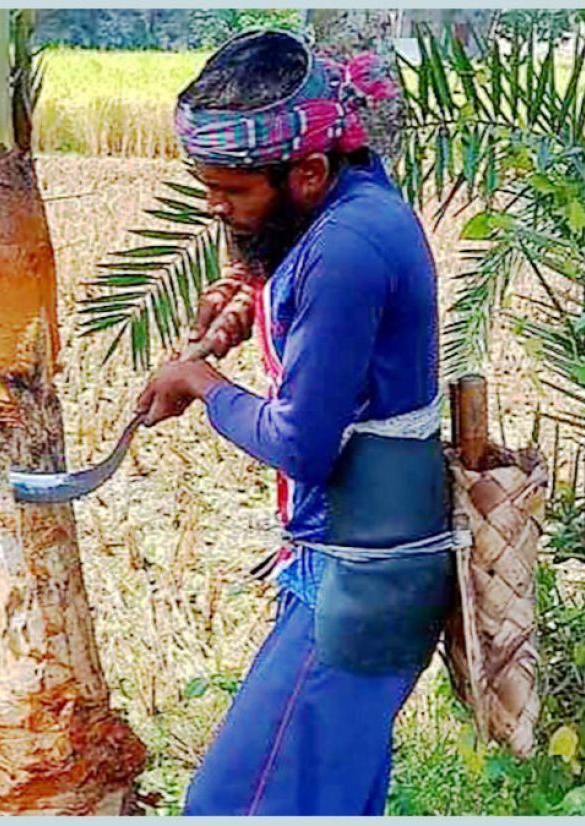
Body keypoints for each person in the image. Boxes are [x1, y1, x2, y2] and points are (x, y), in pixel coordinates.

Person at [134, 30, 462, 816]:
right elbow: (300, 267)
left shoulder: (347, 248)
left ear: (308, 171)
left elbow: (301, 445)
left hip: (359, 576)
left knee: (230, 810)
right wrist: (252, 289)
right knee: (330, 801)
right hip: (362, 562)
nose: (216, 207)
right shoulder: (353, 203)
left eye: (233, 193)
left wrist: (201, 382)